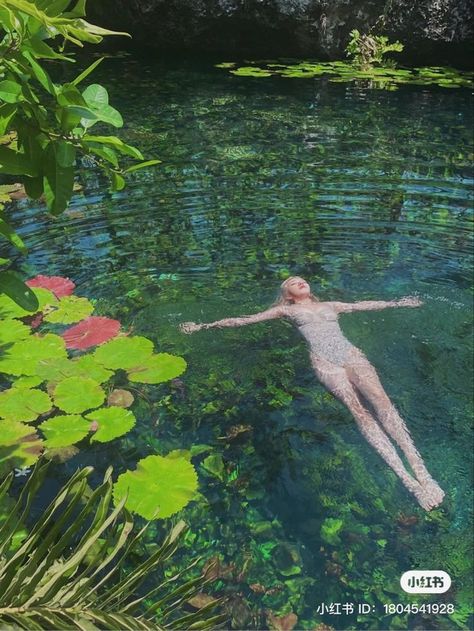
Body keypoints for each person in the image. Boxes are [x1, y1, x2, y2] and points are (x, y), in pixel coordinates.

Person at [180, 276, 445, 511]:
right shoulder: (283, 310)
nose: (300, 281)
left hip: (350, 354)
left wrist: (399, 303)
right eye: (293, 282)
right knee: (359, 412)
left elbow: (364, 304)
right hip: (324, 361)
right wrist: (203, 326)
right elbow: (245, 320)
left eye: (302, 279)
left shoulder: (330, 305)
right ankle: (408, 481)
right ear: (287, 295)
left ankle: (424, 473)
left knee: (383, 403)